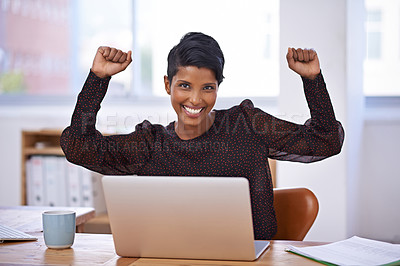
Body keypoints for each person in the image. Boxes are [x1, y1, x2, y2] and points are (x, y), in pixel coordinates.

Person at [61, 32, 344, 240]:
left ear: (218, 87)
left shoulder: (247, 124)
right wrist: (98, 79)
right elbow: (78, 147)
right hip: (175, 259)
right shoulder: (151, 144)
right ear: (167, 84)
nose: (195, 100)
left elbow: (325, 141)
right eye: (184, 85)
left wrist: (312, 80)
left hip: (254, 260)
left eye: (207, 88)